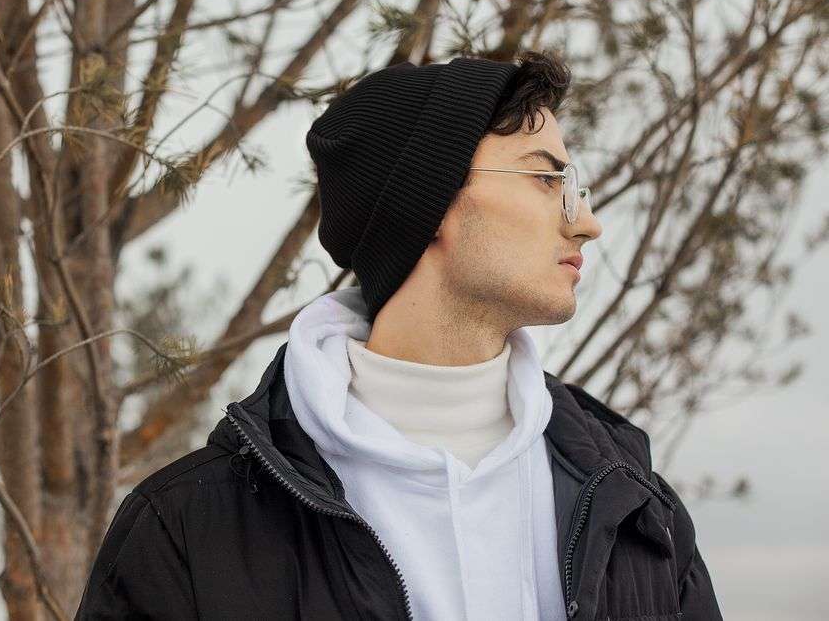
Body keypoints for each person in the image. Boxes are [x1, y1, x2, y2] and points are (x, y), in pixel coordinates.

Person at [74, 51, 723, 620]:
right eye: (546, 178)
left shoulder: (636, 507)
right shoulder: (188, 530)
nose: (586, 222)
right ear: (429, 200)